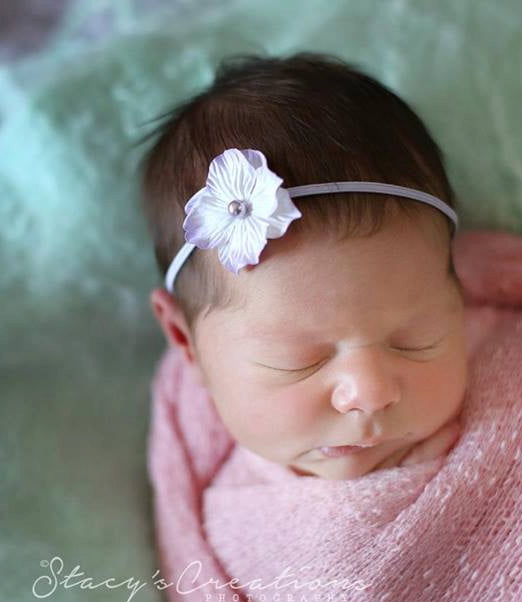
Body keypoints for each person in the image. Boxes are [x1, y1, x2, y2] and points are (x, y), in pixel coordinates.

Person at [137, 52, 466, 481]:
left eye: (415, 340)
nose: (369, 393)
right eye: (296, 362)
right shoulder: (218, 493)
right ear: (186, 342)